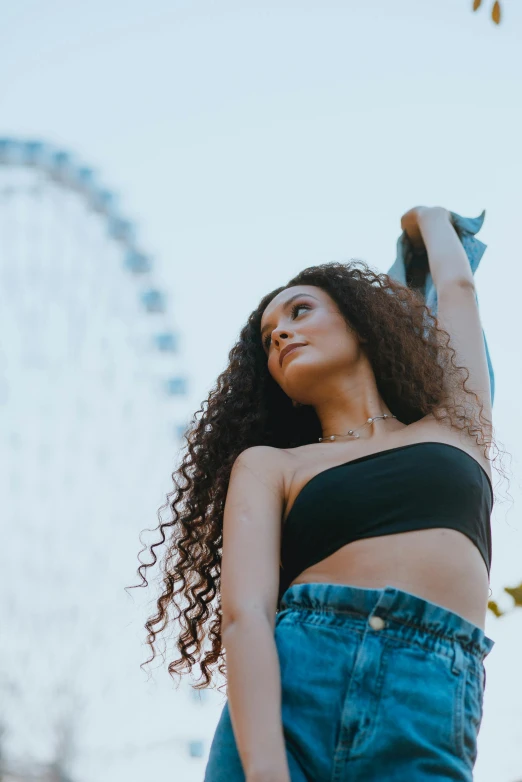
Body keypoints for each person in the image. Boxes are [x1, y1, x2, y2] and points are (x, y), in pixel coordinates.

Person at [133, 206, 502, 781]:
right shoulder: (270, 466)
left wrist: (428, 221)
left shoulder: (456, 422)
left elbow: (457, 289)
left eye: (300, 311)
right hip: (297, 683)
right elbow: (246, 616)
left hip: (428, 693)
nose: (280, 331)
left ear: (361, 321)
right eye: (268, 335)